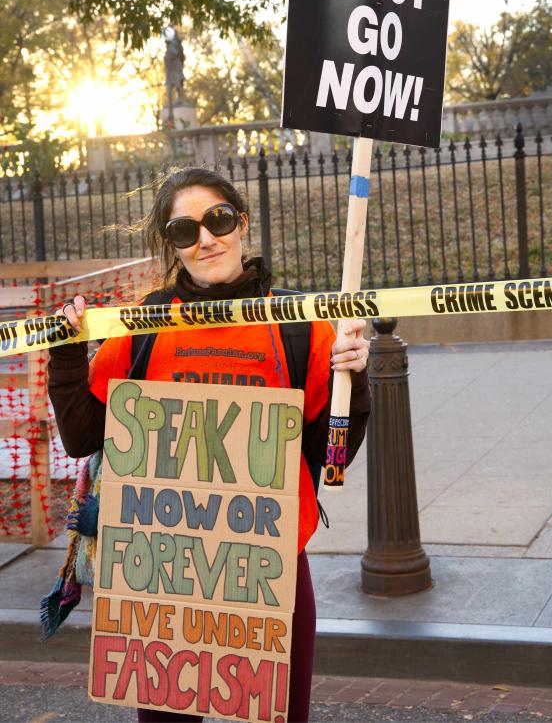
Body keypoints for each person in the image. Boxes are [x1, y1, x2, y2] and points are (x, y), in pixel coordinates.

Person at [48, 166, 371, 723]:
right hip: (163, 571)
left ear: (242, 223)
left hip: (269, 568)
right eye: (183, 229)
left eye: (218, 219)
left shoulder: (298, 323)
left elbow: (334, 461)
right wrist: (67, 354)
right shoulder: (145, 323)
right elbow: (82, 437)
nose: (206, 238)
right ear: (171, 244)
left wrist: (352, 380)